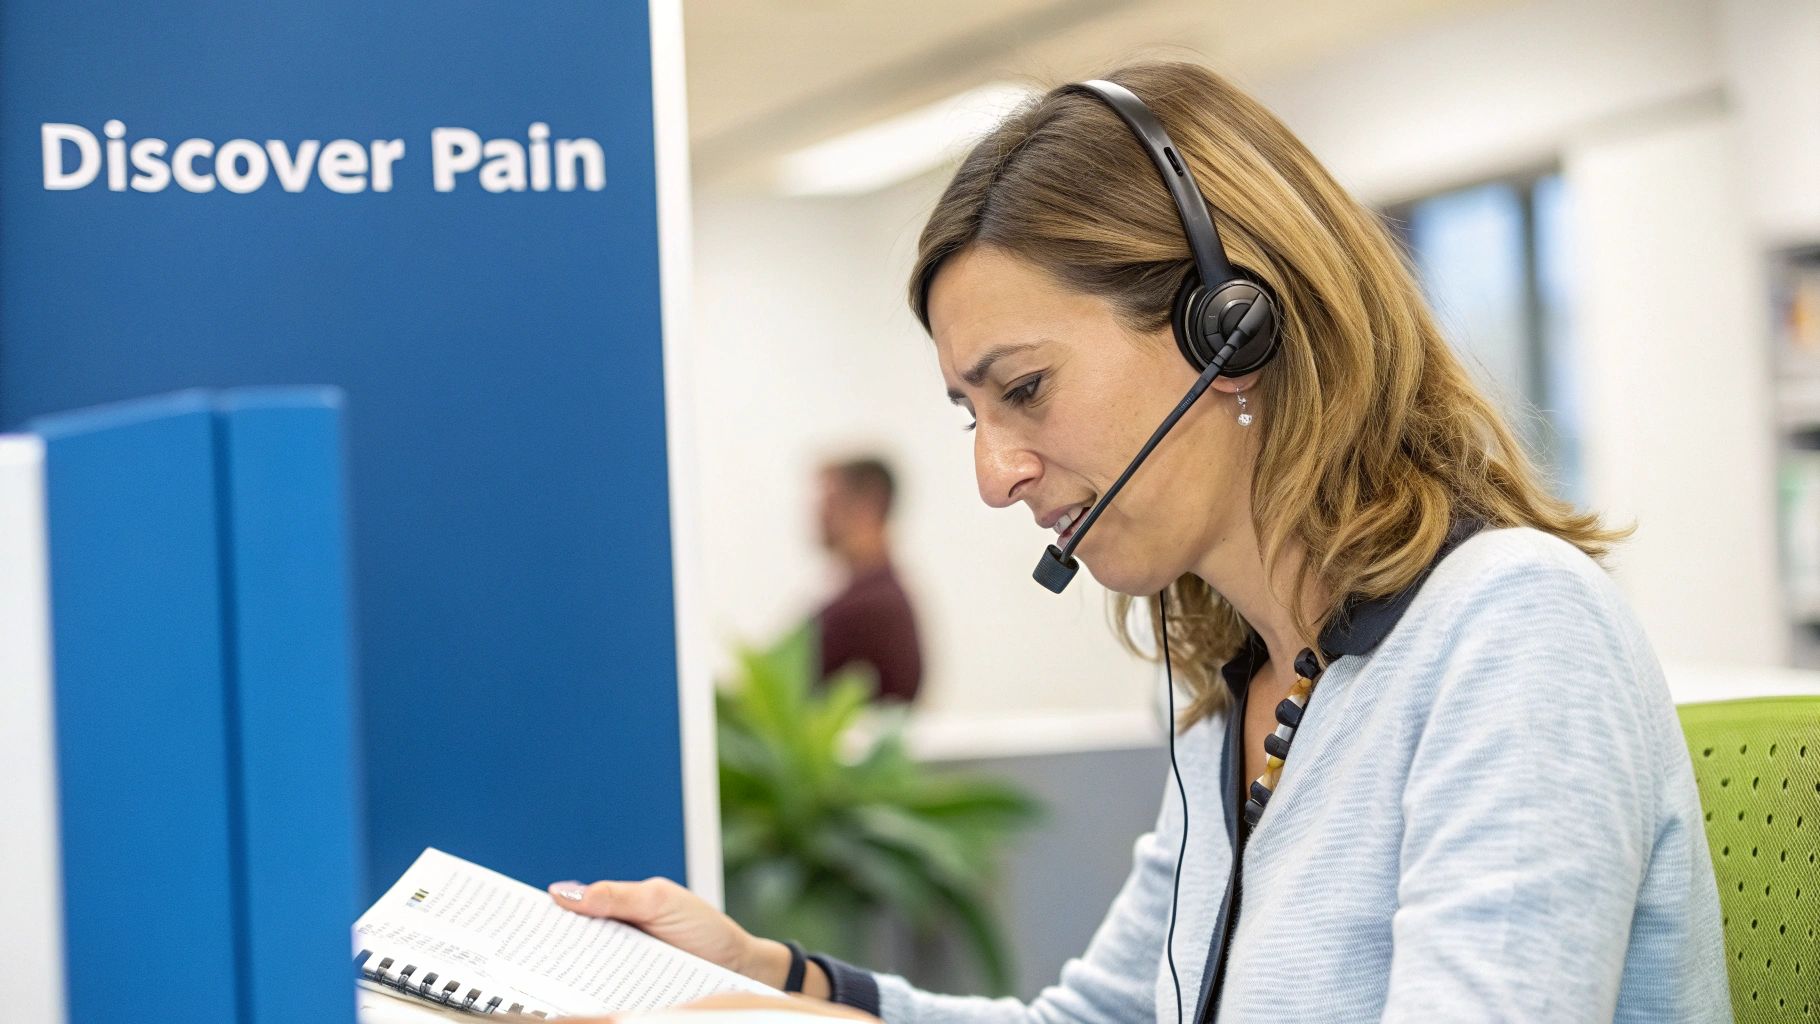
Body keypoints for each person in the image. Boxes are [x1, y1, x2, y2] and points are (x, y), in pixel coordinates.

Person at [547, 60, 1731, 1023]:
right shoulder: (1243, 700)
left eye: (1026, 389)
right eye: (972, 413)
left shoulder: (1511, 634)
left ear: (1234, 327)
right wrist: (778, 980)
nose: (994, 473)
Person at [811, 457, 923, 704]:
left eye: (829, 500)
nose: (818, 514)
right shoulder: (880, 599)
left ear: (868, 505)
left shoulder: (868, 609)